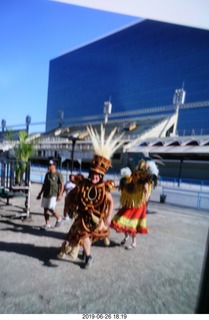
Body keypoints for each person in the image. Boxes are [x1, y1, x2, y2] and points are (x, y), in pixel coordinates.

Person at [58, 125, 123, 268]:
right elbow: (71, 194)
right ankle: (88, 257)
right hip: (82, 217)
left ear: (101, 176)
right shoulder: (83, 184)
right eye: (92, 174)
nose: (94, 177)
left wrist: (108, 217)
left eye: (97, 175)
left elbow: (111, 203)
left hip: (96, 218)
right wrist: (66, 207)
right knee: (81, 235)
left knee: (86, 237)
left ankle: (87, 254)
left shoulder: (104, 188)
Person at [111, 167, 150, 249]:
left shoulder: (142, 185)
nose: (135, 177)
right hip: (128, 205)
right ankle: (126, 236)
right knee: (118, 221)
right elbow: (121, 187)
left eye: (137, 176)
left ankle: (134, 243)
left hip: (138, 206)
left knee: (132, 225)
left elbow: (147, 192)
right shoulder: (129, 184)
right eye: (134, 175)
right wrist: (112, 187)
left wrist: (146, 198)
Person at [37, 159, 64, 229]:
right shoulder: (47, 174)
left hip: (53, 194)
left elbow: (62, 185)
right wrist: (40, 193)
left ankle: (59, 218)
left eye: (50, 165)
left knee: (51, 208)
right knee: (45, 209)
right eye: (48, 165)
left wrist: (60, 194)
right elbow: (44, 185)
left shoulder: (58, 174)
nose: (48, 166)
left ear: (54, 166)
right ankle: (47, 224)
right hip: (46, 193)